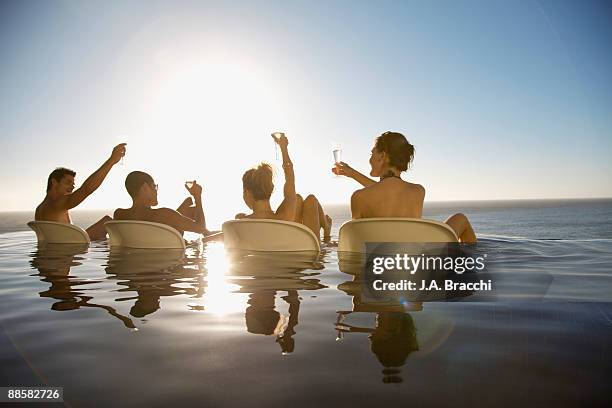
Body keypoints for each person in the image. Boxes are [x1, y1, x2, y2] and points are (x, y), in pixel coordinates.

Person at [333, 131, 477, 243]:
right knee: (460, 219)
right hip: (413, 264)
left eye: (372, 153)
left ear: (382, 156)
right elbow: (389, 190)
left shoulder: (359, 197)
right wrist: (352, 173)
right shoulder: (418, 191)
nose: (369, 159)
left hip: (376, 267)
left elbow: (355, 240)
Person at [237, 133, 332, 241]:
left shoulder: (240, 224)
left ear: (246, 192)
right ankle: (327, 230)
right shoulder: (285, 217)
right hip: (309, 252)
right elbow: (289, 177)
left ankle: (326, 228)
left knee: (299, 198)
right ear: (271, 189)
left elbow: (220, 236)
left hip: (274, 250)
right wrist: (283, 148)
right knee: (310, 199)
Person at [35, 143, 127, 241]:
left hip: (60, 247)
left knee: (106, 221)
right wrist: (111, 161)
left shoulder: (40, 208)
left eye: (73, 184)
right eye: (68, 182)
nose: (72, 187)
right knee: (110, 224)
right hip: (69, 251)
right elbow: (87, 189)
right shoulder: (57, 204)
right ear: (54, 182)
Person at [113, 171, 211, 236]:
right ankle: (209, 233)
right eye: (154, 186)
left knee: (187, 205)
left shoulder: (119, 214)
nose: (156, 191)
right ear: (145, 187)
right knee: (192, 209)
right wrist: (197, 196)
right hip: (172, 264)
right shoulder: (164, 214)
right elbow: (200, 228)